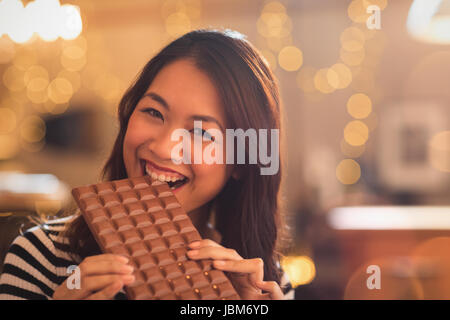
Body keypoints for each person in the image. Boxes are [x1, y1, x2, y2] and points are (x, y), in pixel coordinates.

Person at [0, 29, 293, 300]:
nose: (164, 147)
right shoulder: (41, 257)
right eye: (153, 112)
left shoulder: (261, 282)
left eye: (201, 132)